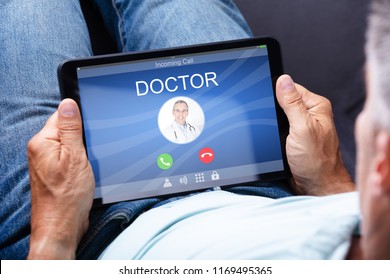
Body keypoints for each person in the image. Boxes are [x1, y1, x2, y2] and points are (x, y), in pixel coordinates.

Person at [0, 0, 253, 259]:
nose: (180, 113)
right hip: (257, 191)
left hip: (89, 235)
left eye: (182, 111)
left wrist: (54, 232)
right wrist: (298, 183)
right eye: (177, 110)